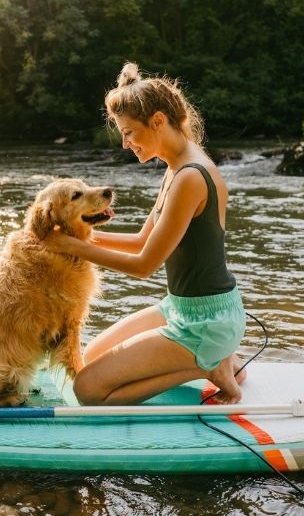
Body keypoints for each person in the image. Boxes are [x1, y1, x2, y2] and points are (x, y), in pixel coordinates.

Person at [42, 62, 248, 405]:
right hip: (185, 309)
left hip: (205, 322)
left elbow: (143, 264)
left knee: (89, 390)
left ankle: (209, 368)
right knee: (90, 357)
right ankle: (223, 358)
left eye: (129, 132)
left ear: (157, 121)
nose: (125, 143)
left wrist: (67, 245)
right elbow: (142, 240)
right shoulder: (176, 167)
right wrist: (79, 236)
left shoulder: (190, 177)